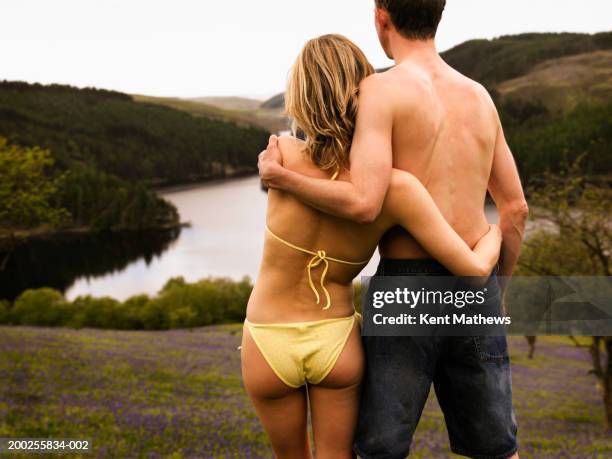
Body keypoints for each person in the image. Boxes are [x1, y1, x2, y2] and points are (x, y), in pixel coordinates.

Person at [257, 1, 528, 458]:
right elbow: (515, 209)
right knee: (497, 448)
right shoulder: (480, 96)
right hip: (473, 284)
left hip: (407, 289)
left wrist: (282, 176)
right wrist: (493, 292)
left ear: (382, 17)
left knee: (380, 450)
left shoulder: (379, 91)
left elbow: (363, 200)